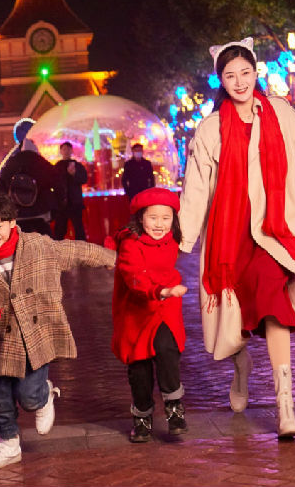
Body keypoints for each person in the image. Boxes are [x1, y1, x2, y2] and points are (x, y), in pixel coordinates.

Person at [179, 37, 295, 438]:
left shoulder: (282, 114)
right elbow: (195, 189)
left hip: (273, 234)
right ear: (221, 81)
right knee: (235, 319)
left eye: (245, 72)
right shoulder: (210, 129)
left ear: (256, 73)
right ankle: (241, 367)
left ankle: (285, 406)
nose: (239, 82)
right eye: (231, 75)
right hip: (230, 239)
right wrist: (182, 240)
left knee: (274, 307)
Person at [0, 191, 115, 469]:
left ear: (12, 222)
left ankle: (43, 396)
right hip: (2, 339)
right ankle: (9, 443)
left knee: (29, 397)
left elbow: (74, 251)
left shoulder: (37, 246)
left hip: (35, 336)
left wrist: (109, 257)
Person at [110, 187, 188, 442]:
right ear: (140, 217)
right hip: (137, 311)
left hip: (165, 307)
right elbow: (134, 277)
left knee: (167, 350)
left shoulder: (172, 240)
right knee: (140, 368)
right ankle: (142, 416)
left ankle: (174, 408)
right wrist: (160, 291)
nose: (159, 224)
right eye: (153, 217)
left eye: (166, 218)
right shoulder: (130, 244)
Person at [0, 138, 57, 236]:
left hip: (17, 213)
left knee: (19, 240)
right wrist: (55, 205)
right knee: (46, 241)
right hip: (41, 212)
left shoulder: (12, 163)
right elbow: (57, 182)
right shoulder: (42, 163)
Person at [52, 142, 88, 240]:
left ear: (71, 151)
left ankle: (81, 247)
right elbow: (53, 182)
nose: (66, 151)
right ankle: (58, 247)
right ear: (61, 151)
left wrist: (74, 174)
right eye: (64, 149)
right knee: (59, 229)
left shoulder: (77, 165)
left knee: (78, 229)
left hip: (75, 203)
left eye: (68, 149)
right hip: (61, 203)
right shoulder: (57, 166)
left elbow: (84, 179)